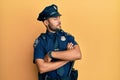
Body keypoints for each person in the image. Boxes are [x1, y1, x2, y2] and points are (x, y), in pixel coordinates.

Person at [33, 4, 82, 80]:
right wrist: (68, 58)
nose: (59, 21)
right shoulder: (41, 41)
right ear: (46, 22)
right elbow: (42, 68)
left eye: (59, 18)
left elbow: (77, 54)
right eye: (55, 19)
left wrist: (51, 54)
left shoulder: (67, 37)